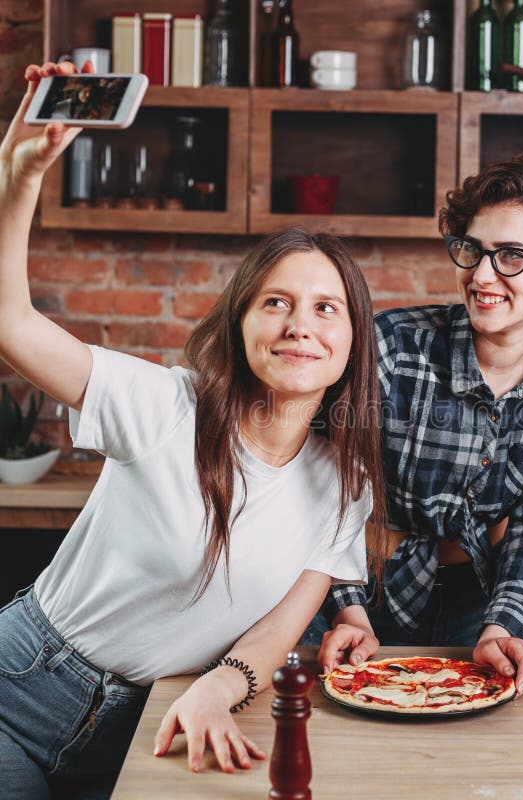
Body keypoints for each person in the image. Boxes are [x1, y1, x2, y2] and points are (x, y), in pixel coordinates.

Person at [0, 61, 387, 799]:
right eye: (275, 302)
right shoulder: (165, 405)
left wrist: (222, 687)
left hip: (151, 723)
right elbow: (10, 323)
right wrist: (17, 179)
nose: (300, 324)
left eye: (325, 308)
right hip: (18, 689)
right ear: (241, 325)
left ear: (352, 346)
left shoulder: (344, 488)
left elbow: (276, 633)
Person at [312, 148, 523, 693]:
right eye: (473, 250)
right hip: (359, 588)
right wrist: (346, 609)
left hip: (482, 598)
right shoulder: (392, 345)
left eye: (512, 256)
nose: (482, 274)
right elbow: (321, 488)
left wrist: (506, 625)